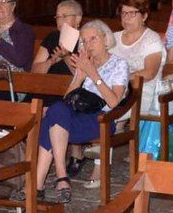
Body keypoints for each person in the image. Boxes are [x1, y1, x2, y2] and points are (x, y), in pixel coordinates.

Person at [25, 20, 129, 201]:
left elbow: (113, 102)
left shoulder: (119, 64)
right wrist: (79, 77)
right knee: (56, 110)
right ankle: (60, 177)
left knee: (49, 122)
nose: (88, 44)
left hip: (101, 119)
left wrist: (93, 74)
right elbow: (68, 100)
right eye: (84, 41)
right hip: (76, 116)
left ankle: (37, 185)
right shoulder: (85, 63)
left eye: (93, 39)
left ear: (106, 39)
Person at [112, 0, 165, 116]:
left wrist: (120, 78)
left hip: (142, 94)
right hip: (116, 91)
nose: (126, 18)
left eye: (132, 13)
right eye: (124, 13)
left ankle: (114, 131)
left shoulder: (151, 39)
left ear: (144, 16)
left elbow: (150, 72)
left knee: (106, 112)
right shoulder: (113, 38)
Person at [32, 0, 83, 75]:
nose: (60, 20)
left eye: (64, 16)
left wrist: (65, 56)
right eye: (58, 17)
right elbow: (34, 71)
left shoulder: (85, 38)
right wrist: (52, 61)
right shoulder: (52, 37)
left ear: (78, 18)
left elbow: (83, 76)